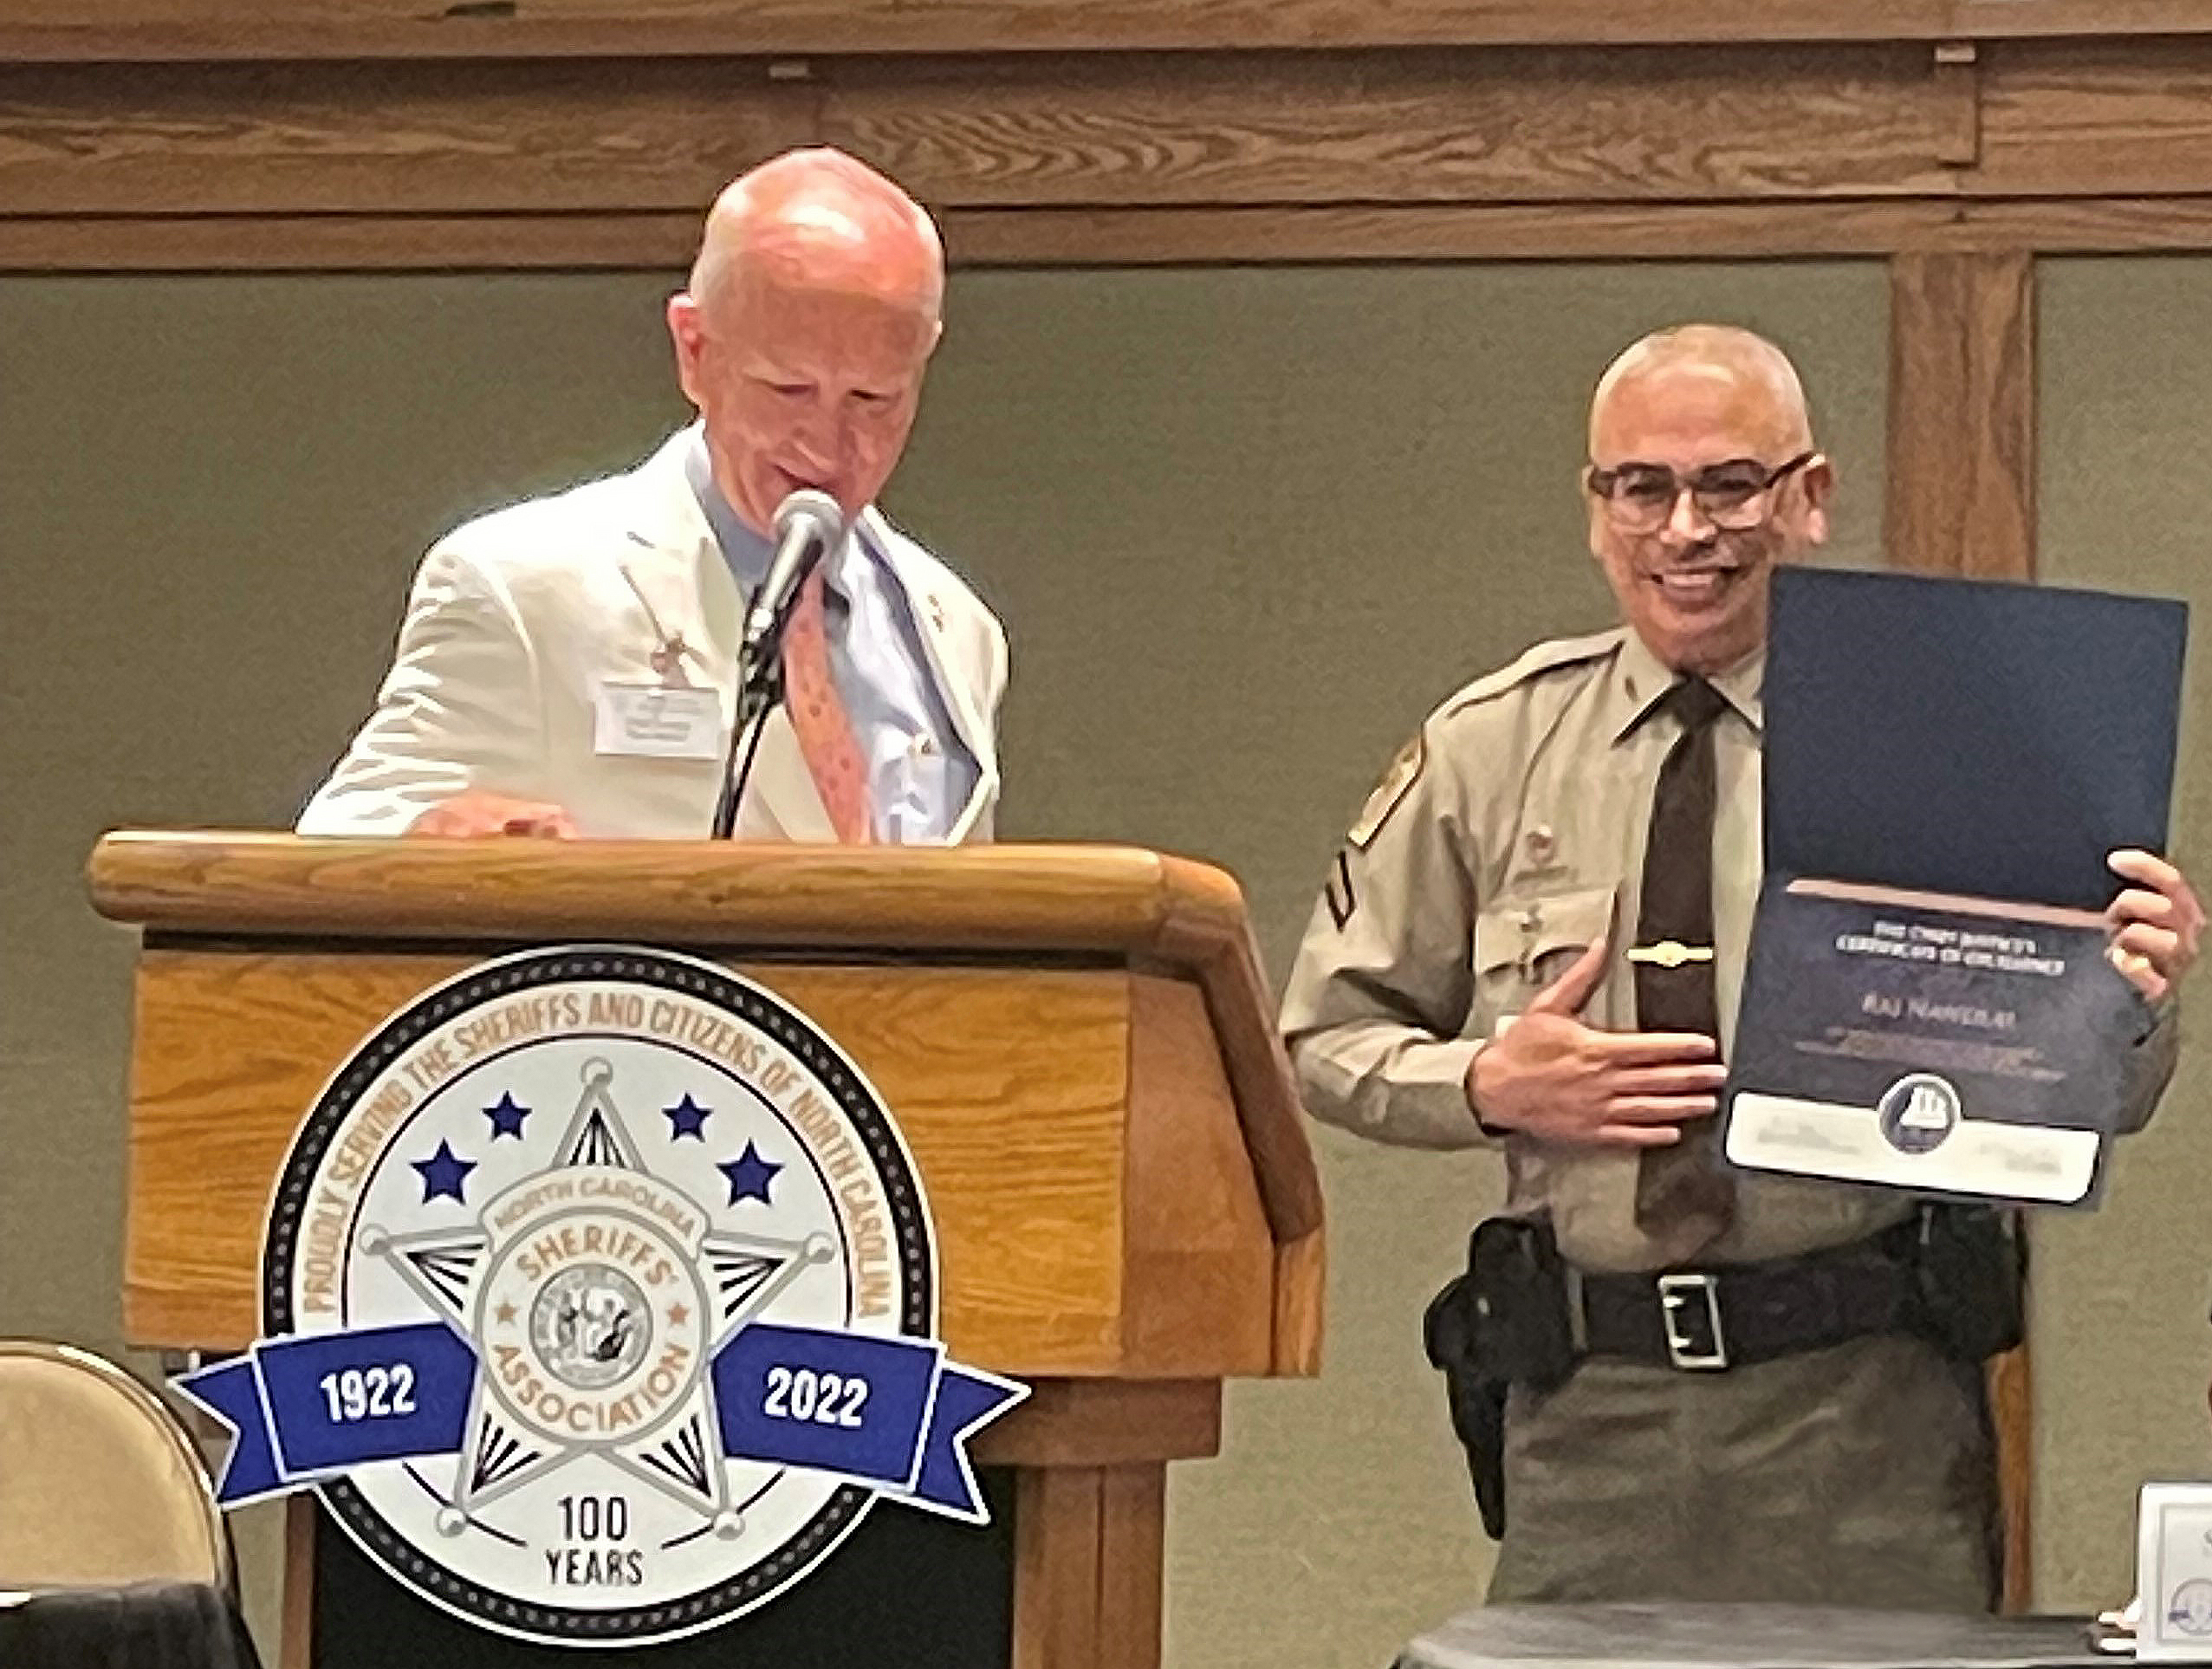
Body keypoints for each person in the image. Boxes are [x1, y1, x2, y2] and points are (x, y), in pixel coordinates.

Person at [1279, 323, 2202, 1608]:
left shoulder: (1946, 736)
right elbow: (1321, 1037)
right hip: (1587, 1407)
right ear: (1597, 512)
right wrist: (1491, 1082)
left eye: (1729, 484)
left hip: (1864, 1409)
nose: (1686, 529)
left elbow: (2091, 1092)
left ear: (1808, 497)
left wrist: (2133, 997)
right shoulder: (1492, 747)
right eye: (1642, 487)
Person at [298, 147, 1005, 843]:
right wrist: (431, 834)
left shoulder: (958, 628)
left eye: (873, 398)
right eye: (787, 389)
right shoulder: (524, 590)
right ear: (694, 350)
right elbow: (342, 845)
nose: (826, 443)